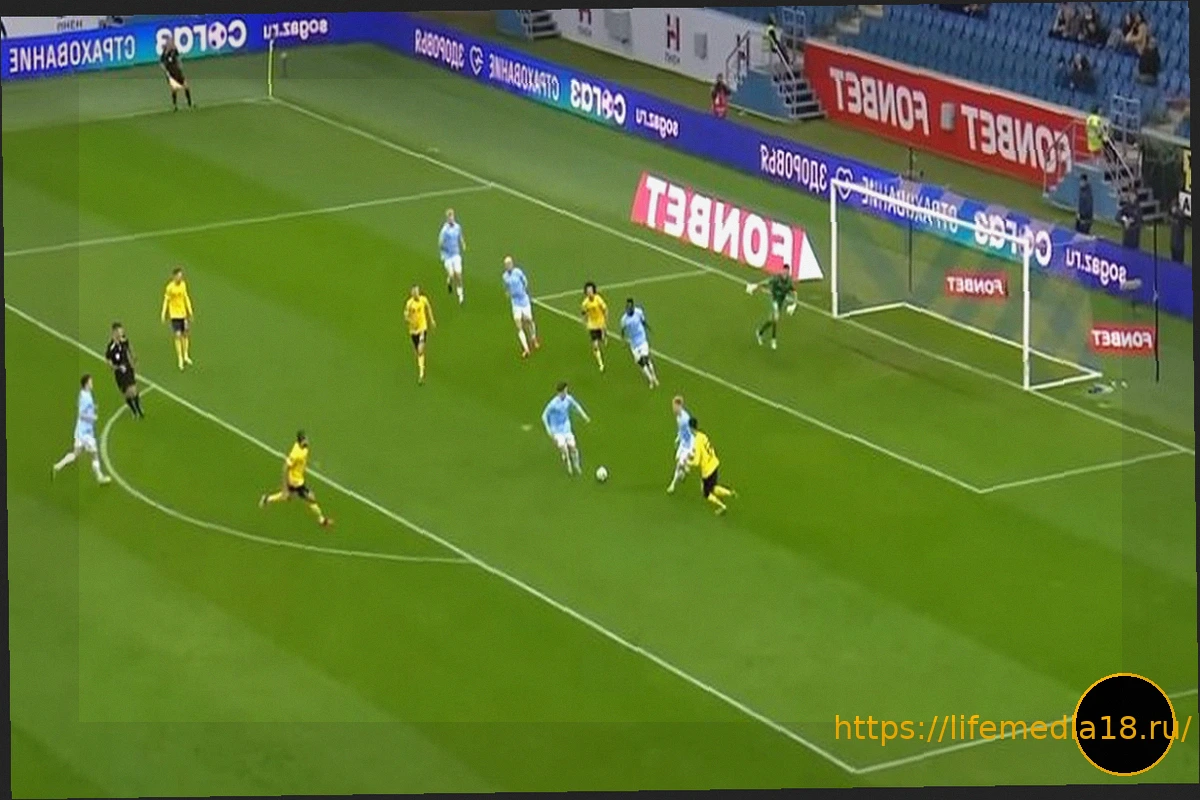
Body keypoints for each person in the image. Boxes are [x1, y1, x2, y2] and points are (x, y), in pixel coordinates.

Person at [259, 430, 333, 527]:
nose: (307, 440)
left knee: (286, 496)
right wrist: (285, 486)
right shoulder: (295, 454)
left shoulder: (305, 448)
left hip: (299, 479)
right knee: (311, 498)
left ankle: (267, 499)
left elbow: (303, 459)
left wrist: (309, 463)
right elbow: (285, 468)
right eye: (305, 439)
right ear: (301, 441)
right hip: (295, 482)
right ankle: (322, 520)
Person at [51, 375, 111, 485]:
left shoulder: (84, 393)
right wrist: (92, 417)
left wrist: (93, 408)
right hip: (85, 433)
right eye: (91, 382)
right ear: (86, 384)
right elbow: (82, 414)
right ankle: (100, 477)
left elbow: (83, 408)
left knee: (76, 453)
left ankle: (57, 466)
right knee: (94, 454)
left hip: (80, 431)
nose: (92, 384)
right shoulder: (86, 397)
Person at [685, 417, 736, 515]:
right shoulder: (703, 435)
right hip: (714, 463)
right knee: (713, 487)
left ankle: (722, 506)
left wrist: (687, 462)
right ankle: (730, 493)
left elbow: (696, 462)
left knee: (706, 493)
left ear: (691, 428)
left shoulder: (697, 442)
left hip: (707, 470)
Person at [541, 381, 590, 476]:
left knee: (573, 447)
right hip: (556, 429)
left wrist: (584, 416)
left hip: (566, 428)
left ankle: (576, 465)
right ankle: (568, 463)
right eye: (564, 391)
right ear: (560, 392)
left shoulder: (568, 399)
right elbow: (544, 415)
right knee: (564, 448)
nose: (566, 392)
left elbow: (576, 406)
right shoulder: (553, 404)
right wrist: (548, 429)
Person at [750, 267, 798, 350]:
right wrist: (757, 285)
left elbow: (794, 292)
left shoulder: (789, 282)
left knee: (771, 320)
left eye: (786, 272)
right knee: (776, 318)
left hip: (780, 303)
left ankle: (760, 332)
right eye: (784, 271)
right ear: (782, 271)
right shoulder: (777, 278)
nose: (784, 273)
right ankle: (773, 339)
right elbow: (767, 282)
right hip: (774, 300)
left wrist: (795, 303)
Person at [105, 322, 145, 419]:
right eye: (119, 331)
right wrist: (117, 367)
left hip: (128, 368)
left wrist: (134, 358)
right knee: (128, 394)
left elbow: (129, 348)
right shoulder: (111, 347)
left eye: (122, 331)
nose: (121, 333)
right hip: (120, 373)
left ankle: (139, 408)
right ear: (114, 332)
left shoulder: (124, 341)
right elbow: (109, 363)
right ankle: (133, 410)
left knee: (134, 390)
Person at [502, 256, 539, 358]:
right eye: (506, 264)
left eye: (509, 263)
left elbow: (525, 281)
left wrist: (523, 290)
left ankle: (533, 338)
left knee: (529, 320)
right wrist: (508, 292)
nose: (508, 266)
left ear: (512, 264)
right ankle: (526, 349)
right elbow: (506, 287)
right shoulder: (505, 276)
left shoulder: (518, 272)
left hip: (524, 300)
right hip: (515, 303)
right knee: (519, 324)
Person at [619, 297, 659, 388]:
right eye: (627, 307)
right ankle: (650, 380)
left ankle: (654, 377)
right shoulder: (624, 319)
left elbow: (643, 321)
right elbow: (622, 330)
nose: (628, 309)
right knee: (641, 363)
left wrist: (648, 328)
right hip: (634, 344)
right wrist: (623, 340)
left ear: (633, 306)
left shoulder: (639, 312)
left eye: (630, 307)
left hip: (642, 340)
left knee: (645, 359)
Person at [161, 266, 194, 370]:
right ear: (174, 276)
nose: (180, 278)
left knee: (185, 334)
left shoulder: (183, 285)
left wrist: (190, 311)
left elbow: (186, 298)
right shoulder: (170, 288)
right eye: (179, 276)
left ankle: (186, 355)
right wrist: (163, 313)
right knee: (178, 335)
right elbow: (166, 300)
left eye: (181, 276)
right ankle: (180, 358)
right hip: (174, 315)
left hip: (183, 314)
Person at [403, 285, 436, 384]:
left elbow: (428, 308)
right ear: (412, 294)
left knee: (421, 350)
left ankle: (421, 374)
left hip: (422, 328)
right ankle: (421, 368)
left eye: (417, 292)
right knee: (418, 352)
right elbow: (406, 314)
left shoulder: (423, 300)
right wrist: (407, 319)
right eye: (414, 293)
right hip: (413, 330)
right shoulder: (409, 304)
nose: (416, 294)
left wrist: (432, 320)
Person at [666, 395, 694, 494]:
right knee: (678, 459)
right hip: (683, 442)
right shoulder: (678, 416)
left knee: (679, 464)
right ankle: (684, 467)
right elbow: (681, 430)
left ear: (679, 407)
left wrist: (691, 448)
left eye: (674, 407)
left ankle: (672, 485)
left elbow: (692, 431)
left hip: (688, 444)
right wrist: (678, 438)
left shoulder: (685, 419)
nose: (673, 409)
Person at [438, 208, 466, 305]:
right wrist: (445, 249)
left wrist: (463, 243)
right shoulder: (444, 230)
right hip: (447, 256)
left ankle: (460, 294)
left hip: (456, 254)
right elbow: (440, 243)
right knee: (452, 274)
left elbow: (460, 236)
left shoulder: (457, 227)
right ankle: (449, 280)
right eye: (449, 217)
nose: (451, 218)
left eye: (452, 216)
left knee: (458, 274)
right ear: (447, 218)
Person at [580, 281, 608, 373]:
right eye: (588, 291)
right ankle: (601, 364)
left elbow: (605, 309)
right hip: (592, 325)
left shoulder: (598, 299)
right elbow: (583, 312)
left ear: (593, 291)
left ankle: (604, 336)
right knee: (595, 345)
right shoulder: (585, 303)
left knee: (602, 340)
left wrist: (605, 319)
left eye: (591, 290)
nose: (589, 293)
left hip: (600, 323)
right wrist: (584, 321)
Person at [159, 33, 193, 110]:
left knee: (186, 86)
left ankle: (189, 103)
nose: (172, 43)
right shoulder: (165, 53)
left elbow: (178, 58)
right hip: (171, 73)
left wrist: (180, 65)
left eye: (172, 41)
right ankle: (175, 105)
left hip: (177, 71)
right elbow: (161, 63)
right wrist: (166, 71)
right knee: (174, 89)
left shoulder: (174, 50)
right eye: (170, 41)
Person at [1168, 198, 1187, 263]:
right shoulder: (1173, 217)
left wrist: (1177, 211)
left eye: (1173, 207)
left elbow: (1181, 216)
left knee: (1179, 262)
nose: (1171, 209)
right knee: (1174, 261)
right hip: (1173, 244)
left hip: (1179, 246)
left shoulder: (1180, 216)